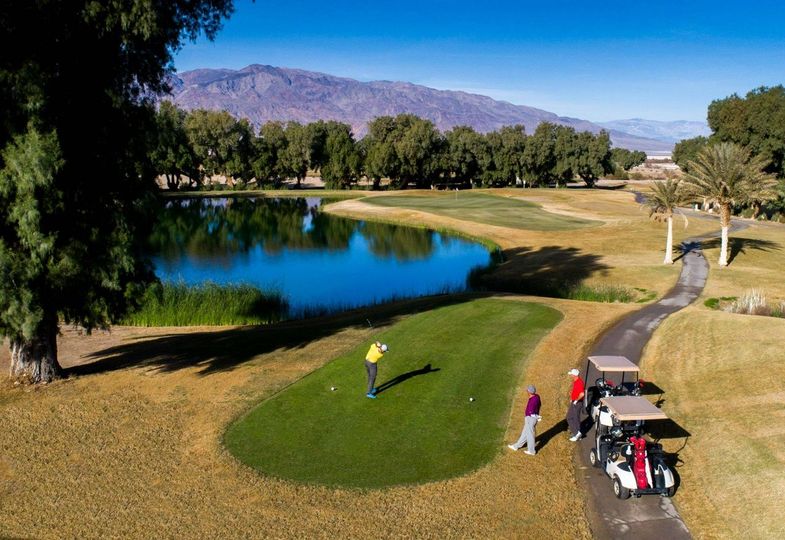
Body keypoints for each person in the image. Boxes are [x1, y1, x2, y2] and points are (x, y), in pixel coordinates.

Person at [508, 384, 541, 455]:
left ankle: (531, 451)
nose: (526, 391)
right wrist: (537, 415)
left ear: (529, 392)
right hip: (531, 418)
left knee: (530, 435)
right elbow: (539, 406)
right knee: (525, 434)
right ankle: (516, 446)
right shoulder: (537, 396)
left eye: (527, 390)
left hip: (530, 419)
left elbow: (531, 411)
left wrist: (534, 416)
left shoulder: (532, 400)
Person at [566, 368, 585, 441]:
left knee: (571, 417)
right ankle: (577, 434)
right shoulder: (576, 381)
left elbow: (582, 394)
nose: (570, 375)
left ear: (574, 375)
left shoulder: (579, 382)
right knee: (573, 417)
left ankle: (577, 433)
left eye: (571, 374)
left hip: (577, 403)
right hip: (574, 401)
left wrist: (576, 400)